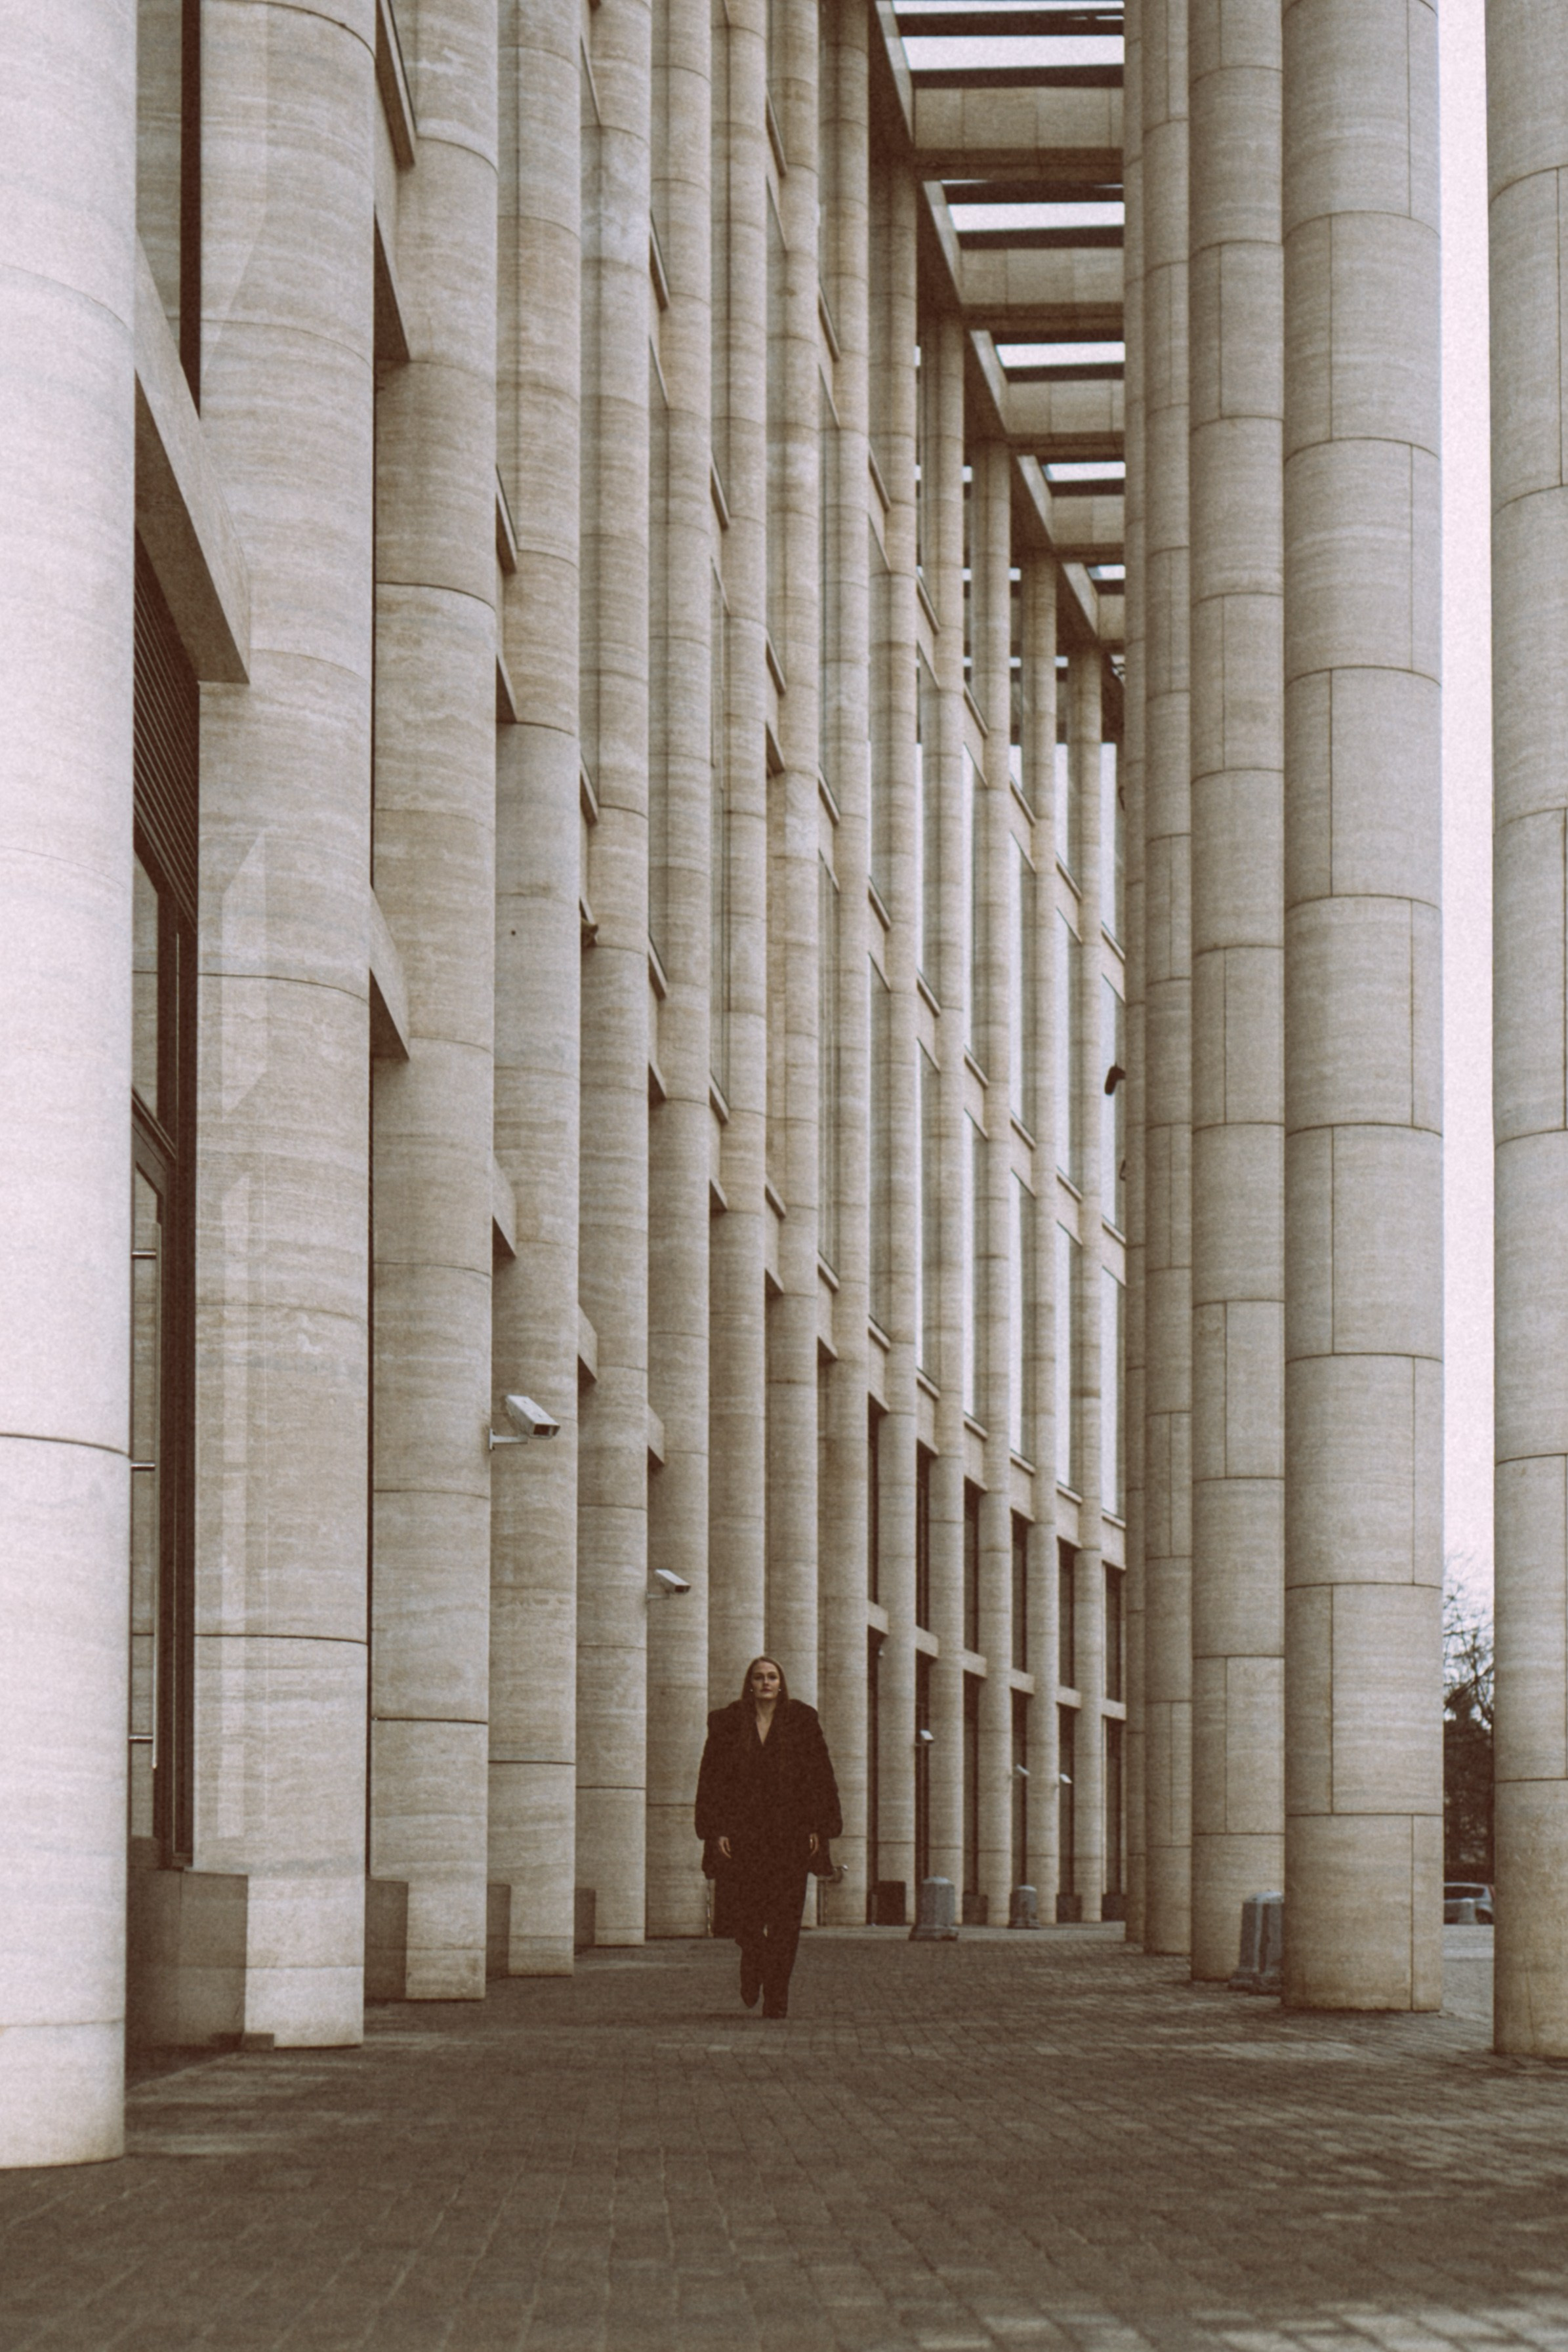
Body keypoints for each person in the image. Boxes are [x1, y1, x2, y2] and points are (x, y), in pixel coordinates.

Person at [694, 1656, 842, 2019]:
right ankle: (753, 1961)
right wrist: (716, 1830)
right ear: (750, 1683)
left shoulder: (802, 1721)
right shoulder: (727, 1723)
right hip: (743, 1837)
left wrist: (817, 1827)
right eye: (759, 1677)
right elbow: (711, 1779)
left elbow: (819, 1776)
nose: (765, 1683)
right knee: (745, 1918)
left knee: (785, 1922)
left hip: (789, 1836)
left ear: (781, 1683)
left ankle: (777, 1997)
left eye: (772, 1677)